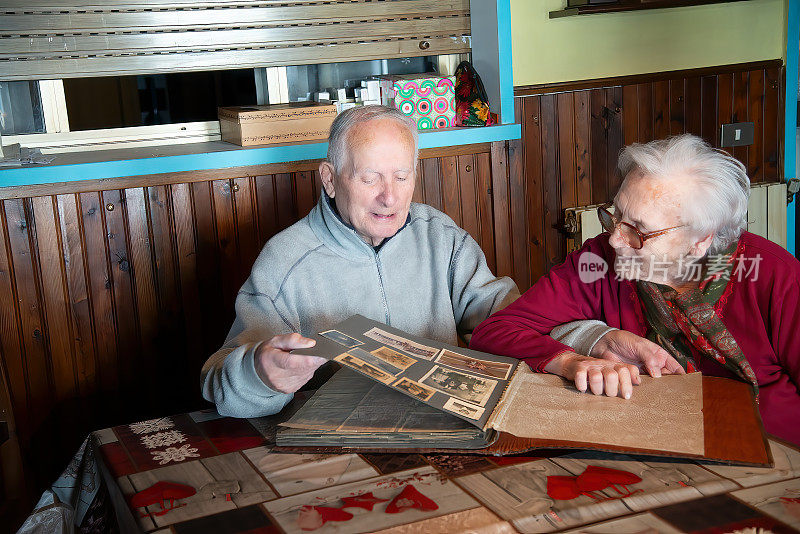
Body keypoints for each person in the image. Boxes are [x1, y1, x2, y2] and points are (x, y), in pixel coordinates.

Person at [470, 134, 800, 446]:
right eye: (616, 216)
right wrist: (572, 361)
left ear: (701, 240)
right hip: (651, 449)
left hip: (773, 452)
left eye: (639, 230)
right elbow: (496, 331)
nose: (615, 239)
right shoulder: (598, 261)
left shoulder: (774, 275)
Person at [201, 105, 524, 418]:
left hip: (449, 426)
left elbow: (508, 319)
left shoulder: (439, 236)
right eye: (370, 179)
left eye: (402, 177)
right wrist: (261, 375)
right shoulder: (285, 260)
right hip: (339, 446)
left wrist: (563, 352)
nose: (389, 197)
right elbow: (220, 385)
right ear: (329, 179)